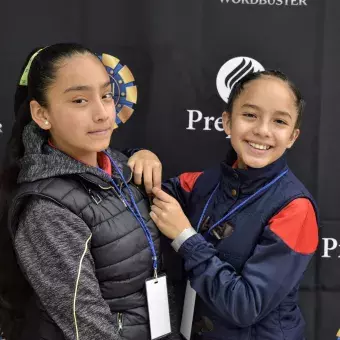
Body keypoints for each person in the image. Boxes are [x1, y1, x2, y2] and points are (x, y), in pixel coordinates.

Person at [0, 43, 177, 340]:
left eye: (106, 95)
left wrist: (142, 155)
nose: (103, 113)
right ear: (42, 115)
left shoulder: (119, 166)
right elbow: (88, 328)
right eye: (80, 100)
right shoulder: (46, 210)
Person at [129, 70, 319, 340]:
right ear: (227, 122)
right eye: (250, 115)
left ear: (292, 137)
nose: (262, 130)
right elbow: (147, 189)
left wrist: (185, 238)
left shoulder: (296, 209)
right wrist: (138, 155)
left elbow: (246, 306)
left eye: (279, 121)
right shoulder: (206, 181)